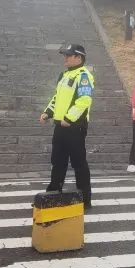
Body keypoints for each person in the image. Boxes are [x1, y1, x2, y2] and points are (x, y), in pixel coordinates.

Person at [39, 44, 94, 206]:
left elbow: (84, 101)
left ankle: (85, 199)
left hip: (75, 127)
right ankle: (53, 193)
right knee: (57, 161)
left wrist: (69, 119)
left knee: (79, 163)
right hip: (60, 127)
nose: (65, 58)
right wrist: (47, 112)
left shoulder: (83, 76)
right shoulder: (63, 75)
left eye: (69, 55)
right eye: (65, 55)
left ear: (79, 58)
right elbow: (57, 98)